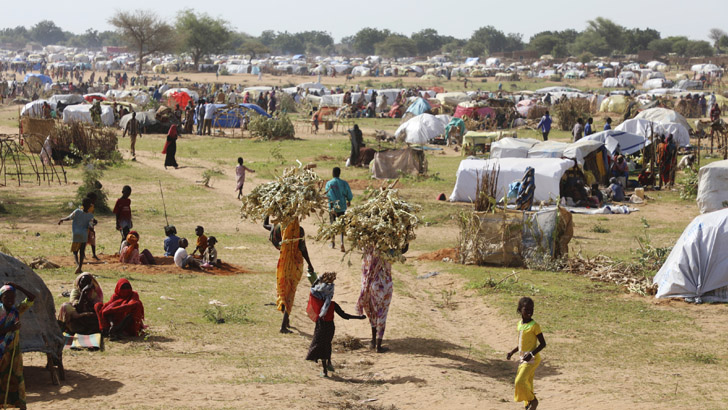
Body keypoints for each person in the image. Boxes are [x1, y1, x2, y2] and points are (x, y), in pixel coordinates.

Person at [305, 272, 366, 377]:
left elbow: (312, 288)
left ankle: (325, 370)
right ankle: (328, 362)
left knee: (320, 346)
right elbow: (345, 316)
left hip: (320, 327)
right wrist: (359, 317)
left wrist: (318, 279)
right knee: (327, 345)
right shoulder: (332, 305)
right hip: (330, 328)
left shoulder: (316, 300)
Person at [263, 216, 314, 333]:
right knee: (290, 292)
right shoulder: (299, 231)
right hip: (294, 265)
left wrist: (268, 212)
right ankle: (283, 326)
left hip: (283, 264)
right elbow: (303, 248)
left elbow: (265, 225)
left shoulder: (279, 228)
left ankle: (286, 321)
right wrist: (310, 264)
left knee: (284, 290)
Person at [357, 244, 406, 353]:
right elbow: (403, 250)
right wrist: (407, 235)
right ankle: (379, 345)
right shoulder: (388, 251)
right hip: (383, 285)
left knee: (373, 313)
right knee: (382, 314)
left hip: (368, 286)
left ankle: (373, 341)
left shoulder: (367, 249)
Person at [0, 283, 36, 409]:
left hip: (13, 351)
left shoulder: (16, 311)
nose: (10, 300)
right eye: (6, 297)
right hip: (1, 351)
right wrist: (10, 328)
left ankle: (18, 404)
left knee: (16, 377)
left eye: (13, 297)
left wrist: (18, 287)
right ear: (1, 298)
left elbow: (32, 298)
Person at [506, 297, 546, 410]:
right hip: (523, 358)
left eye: (531, 309)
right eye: (526, 309)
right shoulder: (519, 324)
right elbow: (521, 343)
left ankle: (533, 401)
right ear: (520, 310)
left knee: (519, 381)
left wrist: (531, 354)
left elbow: (543, 344)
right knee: (528, 383)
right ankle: (527, 405)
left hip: (532, 359)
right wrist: (512, 352)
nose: (529, 311)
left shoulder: (535, 326)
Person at [58, 197, 95, 274]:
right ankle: (80, 267)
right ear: (89, 206)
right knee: (82, 251)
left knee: (75, 251)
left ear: (82, 205)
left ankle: (77, 265)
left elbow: (70, 217)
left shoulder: (77, 211)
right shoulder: (90, 216)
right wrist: (93, 228)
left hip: (76, 233)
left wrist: (62, 219)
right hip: (84, 234)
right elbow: (91, 226)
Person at [325, 167, 352, 252]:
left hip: (332, 207)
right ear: (339, 173)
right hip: (342, 206)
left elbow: (327, 194)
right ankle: (342, 243)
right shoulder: (344, 183)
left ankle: (332, 242)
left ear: (333, 173)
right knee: (342, 225)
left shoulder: (329, 183)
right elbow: (349, 194)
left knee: (332, 224)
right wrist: (349, 200)